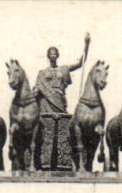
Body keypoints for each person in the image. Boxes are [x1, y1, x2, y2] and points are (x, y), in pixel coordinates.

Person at [35, 34, 90, 170]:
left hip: (59, 101)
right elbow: (37, 87)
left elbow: (80, 63)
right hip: (46, 103)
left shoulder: (63, 69)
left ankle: (64, 159)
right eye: (51, 54)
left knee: (62, 129)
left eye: (55, 53)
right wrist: (36, 91)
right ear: (48, 56)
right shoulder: (42, 73)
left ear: (57, 55)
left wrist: (86, 45)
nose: (53, 55)